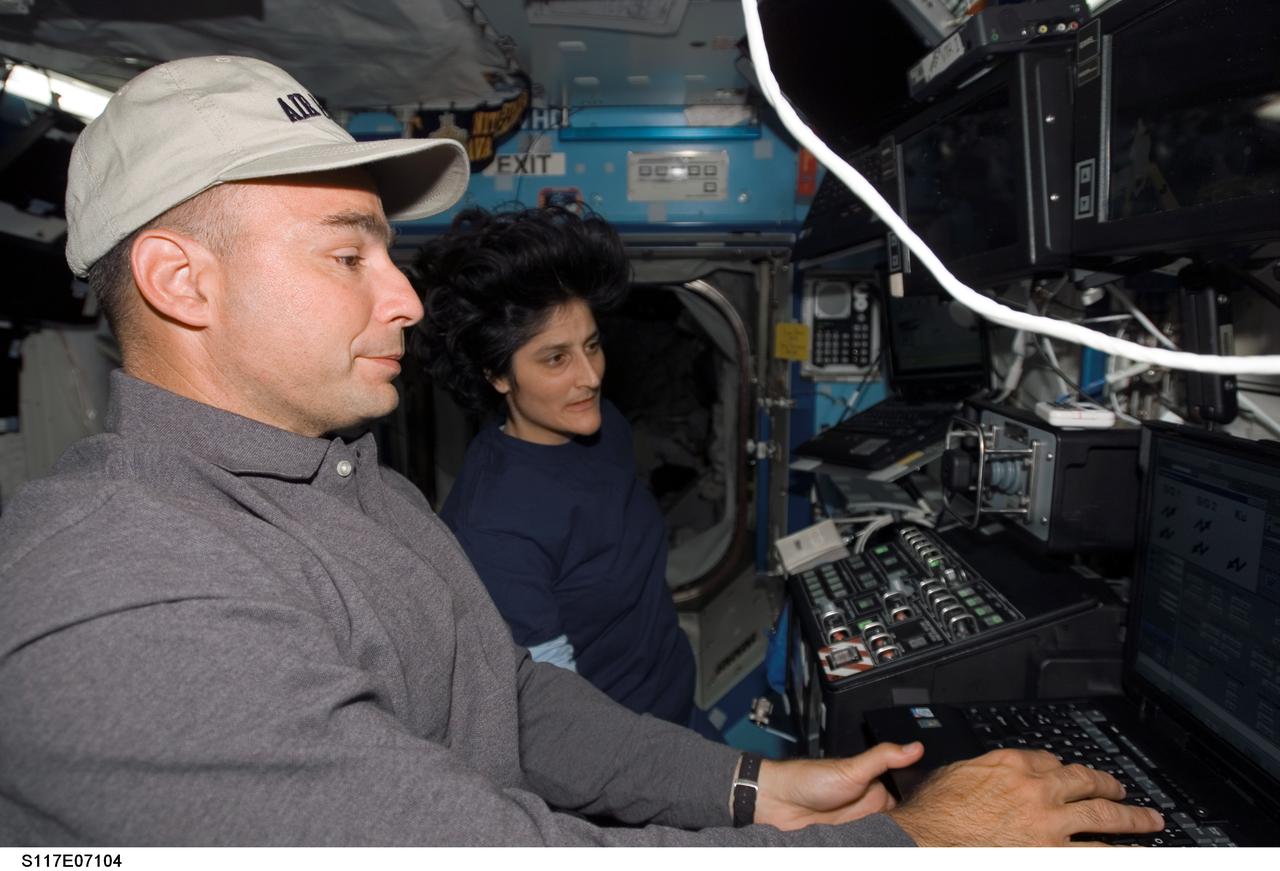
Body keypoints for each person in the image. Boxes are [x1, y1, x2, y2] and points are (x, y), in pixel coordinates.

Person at [0, 55, 1164, 847]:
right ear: (180, 280)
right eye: (348, 256)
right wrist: (904, 840)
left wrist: (749, 786)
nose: (405, 297)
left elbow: (507, 697)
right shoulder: (118, 585)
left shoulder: (357, 486)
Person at [415, 206, 695, 725]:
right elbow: (562, 721)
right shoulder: (493, 526)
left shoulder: (603, 423)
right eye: (555, 358)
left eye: (592, 346)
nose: (589, 376)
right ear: (498, 376)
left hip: (676, 697)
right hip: (632, 761)